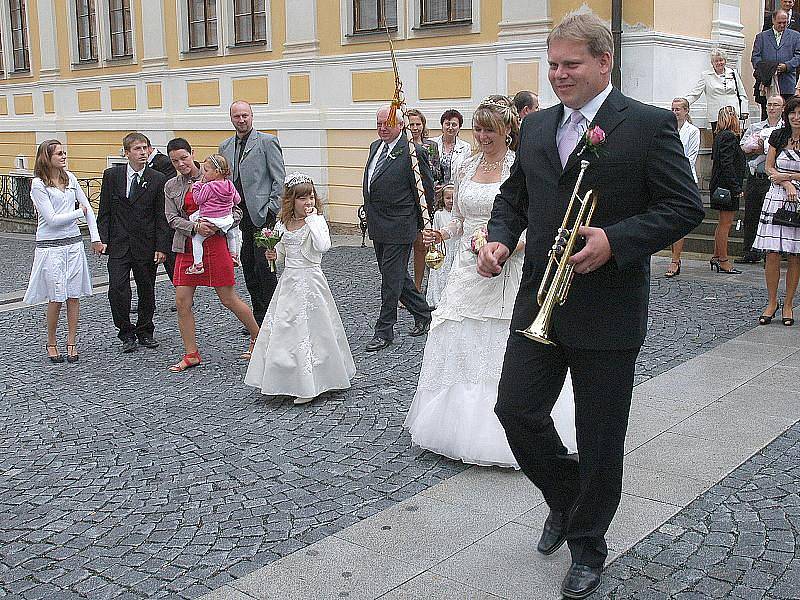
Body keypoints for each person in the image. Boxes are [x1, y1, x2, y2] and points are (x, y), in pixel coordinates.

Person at [477, 13, 703, 598]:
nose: (559, 75)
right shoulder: (535, 127)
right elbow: (515, 197)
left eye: (570, 65)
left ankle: (588, 545)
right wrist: (501, 235)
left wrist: (616, 240)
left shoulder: (649, 125)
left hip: (609, 308)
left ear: (605, 62)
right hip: (538, 302)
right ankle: (567, 497)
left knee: (601, 436)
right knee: (516, 410)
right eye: (552, 65)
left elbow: (684, 207)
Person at [407, 95, 576, 467]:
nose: (483, 136)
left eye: (490, 130)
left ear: (507, 131)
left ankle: (512, 427)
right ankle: (455, 426)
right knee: (458, 338)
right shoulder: (465, 167)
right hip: (468, 268)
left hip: (509, 265)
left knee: (502, 344)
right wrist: (443, 234)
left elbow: (538, 223)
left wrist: (506, 245)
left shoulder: (521, 165)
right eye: (478, 129)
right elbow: (461, 219)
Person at [245, 173, 355, 404]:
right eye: (303, 198)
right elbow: (282, 257)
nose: (309, 203)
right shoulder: (283, 224)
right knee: (285, 330)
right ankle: (286, 379)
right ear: (291, 200)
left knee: (313, 330)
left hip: (311, 281)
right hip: (289, 282)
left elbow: (323, 246)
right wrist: (273, 254)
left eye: (311, 197)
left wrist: (313, 220)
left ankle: (313, 382)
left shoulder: (317, 222)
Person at [163, 138, 259, 372]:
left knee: (228, 298)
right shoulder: (171, 186)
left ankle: (259, 338)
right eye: (175, 161)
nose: (181, 164)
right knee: (182, 301)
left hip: (215, 245)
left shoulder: (214, 175)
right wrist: (194, 227)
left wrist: (218, 225)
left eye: (184, 158)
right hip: (187, 245)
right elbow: (171, 218)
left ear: (192, 153)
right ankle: (191, 353)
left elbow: (237, 212)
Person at [362, 105, 435, 352]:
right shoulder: (375, 147)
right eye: (379, 123)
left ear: (400, 125)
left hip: (400, 224)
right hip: (378, 223)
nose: (383, 128)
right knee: (395, 276)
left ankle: (384, 330)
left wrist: (425, 223)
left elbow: (425, 189)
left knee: (390, 281)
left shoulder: (413, 152)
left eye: (388, 124)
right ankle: (423, 313)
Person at [23, 140, 104, 363]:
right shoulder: (39, 185)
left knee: (73, 296)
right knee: (56, 297)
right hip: (51, 246)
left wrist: (95, 238)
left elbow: (88, 209)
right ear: (46, 157)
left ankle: (71, 341)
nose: (63, 156)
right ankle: (51, 341)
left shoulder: (71, 178)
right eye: (59, 153)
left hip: (73, 244)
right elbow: (51, 219)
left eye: (64, 152)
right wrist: (78, 213)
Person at [97, 132, 170, 353]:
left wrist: (161, 246)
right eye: (137, 149)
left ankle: (145, 330)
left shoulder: (157, 179)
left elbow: (161, 216)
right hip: (119, 243)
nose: (142, 153)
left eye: (145, 148)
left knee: (146, 288)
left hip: (145, 243)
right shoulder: (112, 175)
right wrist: (103, 239)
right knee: (117, 288)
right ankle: (125, 331)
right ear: (126, 153)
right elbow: (105, 211)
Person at [219, 100, 286, 326]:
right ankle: (258, 317)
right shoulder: (225, 146)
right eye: (237, 116)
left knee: (265, 268)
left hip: (261, 214)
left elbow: (278, 179)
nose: (241, 120)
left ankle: (273, 318)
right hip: (237, 216)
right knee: (248, 267)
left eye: (245, 115)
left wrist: (272, 209)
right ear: (231, 118)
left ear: (252, 116)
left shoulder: (267, 142)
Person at [754, 96, 800, 326]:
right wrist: (786, 183)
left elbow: (783, 172)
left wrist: (790, 177)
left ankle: (789, 303)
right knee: (772, 253)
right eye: (792, 112)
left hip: (799, 200)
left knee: (795, 254)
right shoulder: (777, 135)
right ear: (787, 114)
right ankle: (772, 302)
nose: (796, 117)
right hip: (777, 197)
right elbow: (769, 167)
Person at [737, 94, 785, 264]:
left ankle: (774, 251)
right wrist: (754, 149)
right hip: (755, 177)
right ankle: (750, 250)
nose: (771, 108)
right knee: (751, 214)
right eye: (769, 105)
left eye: (775, 105)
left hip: (775, 178)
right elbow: (743, 147)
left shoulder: (785, 129)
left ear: (782, 108)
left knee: (774, 216)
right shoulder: (756, 127)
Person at [186, 154, 242, 274]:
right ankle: (233, 255)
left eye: (206, 170)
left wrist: (197, 186)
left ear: (216, 172)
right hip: (226, 219)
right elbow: (237, 200)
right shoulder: (229, 185)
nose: (204, 173)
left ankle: (198, 264)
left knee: (196, 240)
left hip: (209, 218)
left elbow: (198, 200)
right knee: (231, 234)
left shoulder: (209, 186)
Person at [709, 106, 748, 274]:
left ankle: (717, 256)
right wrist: (736, 187)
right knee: (726, 224)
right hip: (726, 186)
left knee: (721, 223)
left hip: (719, 185)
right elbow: (727, 164)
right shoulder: (730, 137)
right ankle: (723, 259)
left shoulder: (719, 136)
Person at [665, 98, 701, 278]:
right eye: (672, 109)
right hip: (665, 177)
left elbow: (691, 157)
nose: (674, 112)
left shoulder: (692, 131)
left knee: (678, 219)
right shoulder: (667, 128)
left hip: (683, 178)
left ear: (686, 111)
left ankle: (675, 259)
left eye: (678, 109)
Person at [407, 108, 441, 292]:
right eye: (411, 124)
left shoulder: (430, 146)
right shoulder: (402, 146)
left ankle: (422, 286)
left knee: (423, 245)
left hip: (428, 200)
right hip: (409, 201)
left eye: (417, 124)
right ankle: (412, 287)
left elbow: (437, 171)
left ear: (423, 125)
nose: (414, 128)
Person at [685, 48, 748, 131]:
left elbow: (742, 93)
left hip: (733, 114)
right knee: (719, 140)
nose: (719, 63)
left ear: (725, 61)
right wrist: (683, 104)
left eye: (721, 60)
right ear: (712, 63)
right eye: (716, 61)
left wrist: (744, 110)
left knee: (734, 139)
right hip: (716, 116)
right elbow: (695, 94)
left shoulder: (733, 72)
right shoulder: (706, 75)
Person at [146, 137, 178, 284]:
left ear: (149, 147)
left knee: (171, 262)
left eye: (143, 148)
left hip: (164, 217)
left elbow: (165, 188)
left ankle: (183, 297)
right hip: (148, 221)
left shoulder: (164, 162)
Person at [753, 10, 800, 105]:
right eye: (779, 23)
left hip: (787, 84)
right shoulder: (761, 37)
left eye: (785, 23)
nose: (782, 25)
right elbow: (755, 58)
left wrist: (786, 66)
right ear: (773, 20)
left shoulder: (796, 36)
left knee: (786, 114)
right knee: (767, 113)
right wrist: (768, 68)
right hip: (766, 83)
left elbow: (798, 55)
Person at [424, 184, 456, 309]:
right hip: (442, 248)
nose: (451, 201)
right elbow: (435, 230)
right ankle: (437, 298)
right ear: (442, 199)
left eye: (453, 198)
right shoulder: (439, 214)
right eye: (448, 198)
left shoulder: (457, 215)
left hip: (454, 247)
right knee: (440, 273)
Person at [432, 109, 471, 185]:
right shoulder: (432, 143)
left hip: (454, 189)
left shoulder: (466, 147)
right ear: (442, 125)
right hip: (435, 189)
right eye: (447, 124)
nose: (450, 127)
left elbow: (465, 173)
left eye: (454, 125)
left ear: (459, 127)